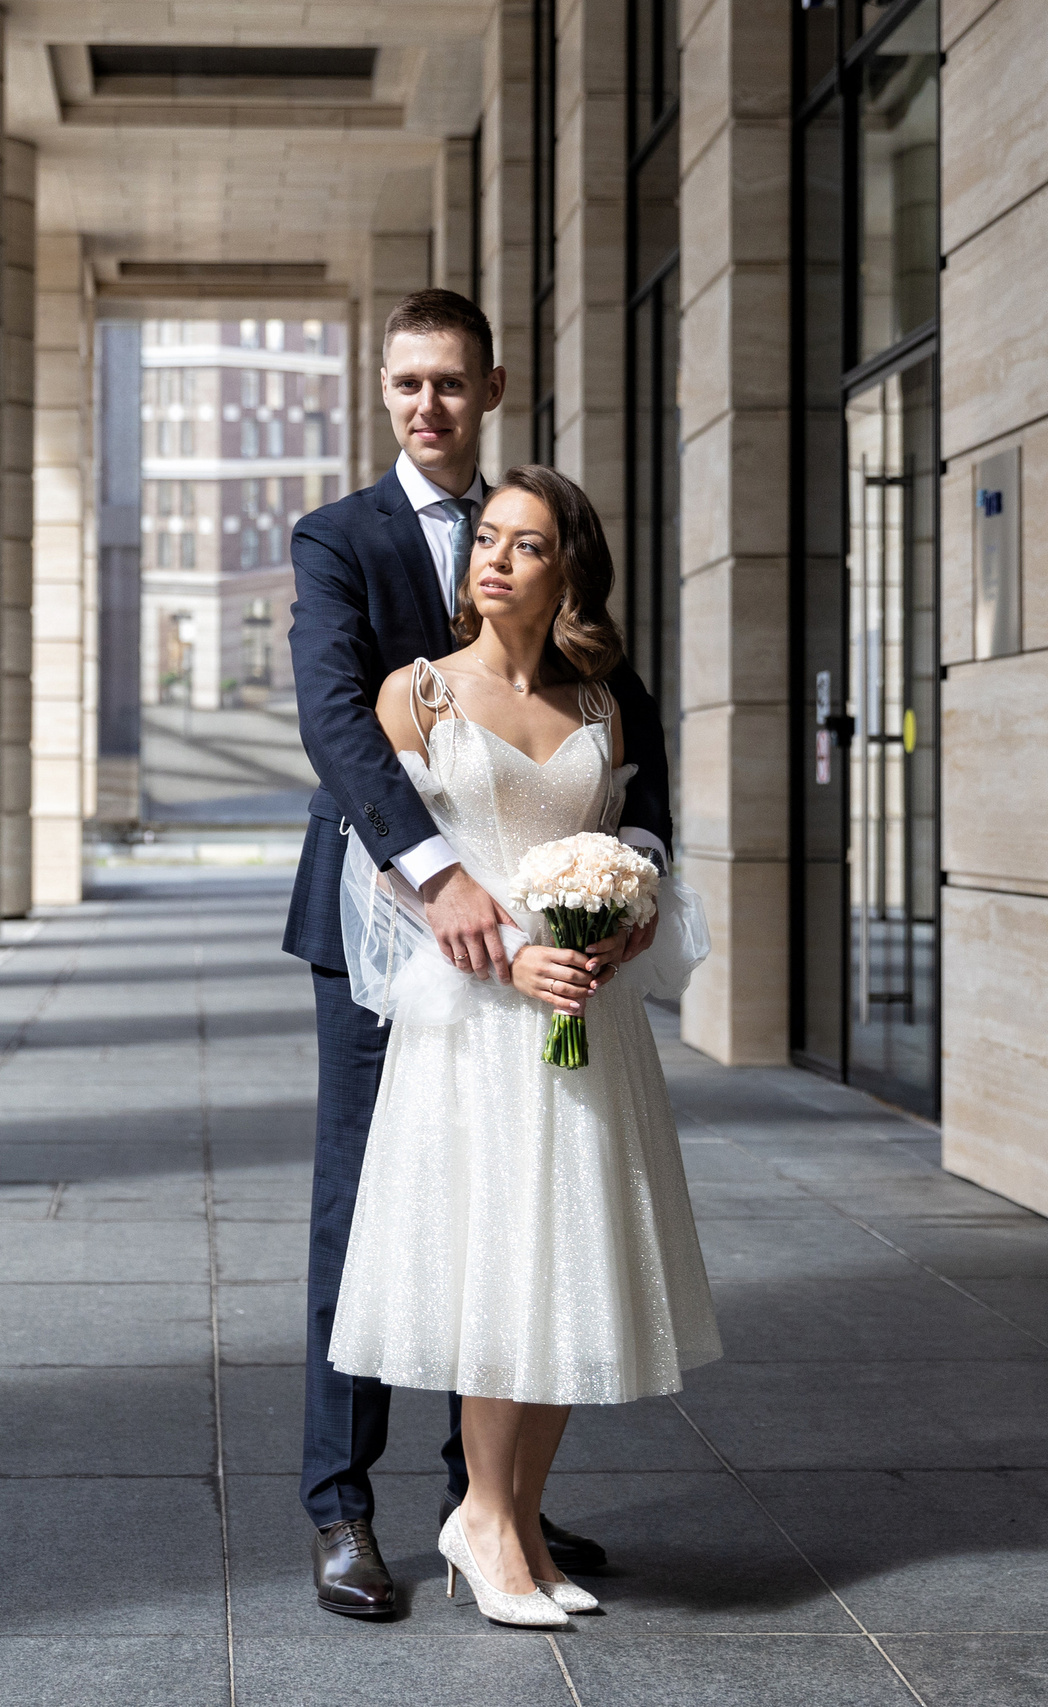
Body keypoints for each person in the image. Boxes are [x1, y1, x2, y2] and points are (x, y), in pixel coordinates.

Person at [283, 289, 679, 1620]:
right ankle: (342, 1506)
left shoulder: (552, 544)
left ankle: (493, 1500)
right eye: (406, 385)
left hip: (556, 955)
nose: (426, 407)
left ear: (490, 387)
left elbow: (637, 775)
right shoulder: (338, 539)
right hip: (397, 923)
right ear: (383, 391)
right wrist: (448, 890)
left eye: (449, 383)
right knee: (372, 1214)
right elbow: (339, 729)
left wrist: (620, 901)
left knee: (527, 1211)